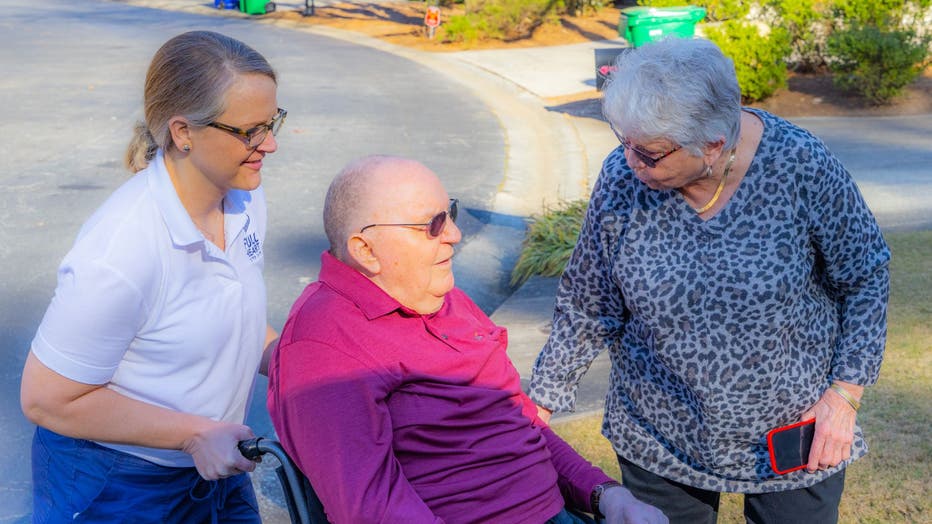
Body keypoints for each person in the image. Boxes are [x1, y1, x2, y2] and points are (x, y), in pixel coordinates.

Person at [528, 37, 890, 523]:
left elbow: (866, 273)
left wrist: (845, 395)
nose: (631, 162)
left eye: (650, 154)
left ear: (714, 145)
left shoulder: (800, 165)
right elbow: (589, 301)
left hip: (791, 428)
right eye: (624, 142)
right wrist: (543, 401)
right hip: (660, 432)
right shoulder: (623, 178)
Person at [267, 155, 668, 524]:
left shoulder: (446, 299)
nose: (456, 235)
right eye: (433, 225)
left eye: (451, 213)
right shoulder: (324, 344)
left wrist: (605, 494)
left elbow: (521, 425)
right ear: (365, 250)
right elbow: (373, 508)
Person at [20, 30, 286, 522]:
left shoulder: (244, 196)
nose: (268, 144)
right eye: (250, 131)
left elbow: (231, 314)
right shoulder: (122, 250)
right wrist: (191, 434)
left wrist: (298, 360)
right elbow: (45, 400)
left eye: (273, 122)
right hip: (117, 484)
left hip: (212, 460)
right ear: (183, 133)